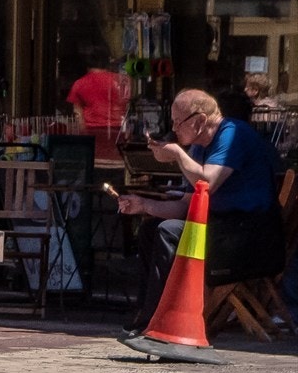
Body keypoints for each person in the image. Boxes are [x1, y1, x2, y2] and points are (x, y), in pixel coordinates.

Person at [115, 88, 284, 333]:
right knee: (151, 229)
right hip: (223, 229)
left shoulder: (233, 133)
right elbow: (186, 206)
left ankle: (162, 319)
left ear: (200, 120)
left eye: (178, 122)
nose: (174, 129)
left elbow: (207, 182)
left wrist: (176, 154)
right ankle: (148, 312)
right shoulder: (197, 147)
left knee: (168, 232)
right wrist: (144, 205)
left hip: (250, 236)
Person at [67, 46, 130, 161]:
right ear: (108, 61)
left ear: (87, 64)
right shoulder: (123, 81)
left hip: (92, 133)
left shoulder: (79, 84)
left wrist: (82, 136)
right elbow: (128, 107)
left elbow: (78, 114)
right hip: (118, 132)